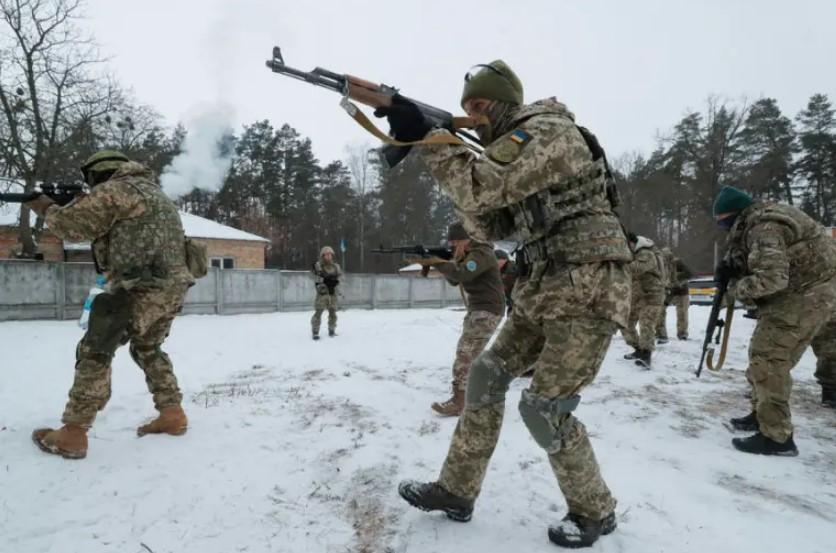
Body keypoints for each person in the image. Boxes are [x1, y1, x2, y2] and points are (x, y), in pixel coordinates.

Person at [376, 59, 632, 548]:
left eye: (477, 106)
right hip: (544, 284)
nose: (472, 114)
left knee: (544, 408)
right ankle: (456, 491)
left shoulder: (548, 131)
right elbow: (491, 225)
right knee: (485, 376)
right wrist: (433, 144)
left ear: (503, 102)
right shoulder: (510, 153)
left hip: (590, 284)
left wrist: (433, 140)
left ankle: (595, 511)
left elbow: (478, 187)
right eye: (464, 108)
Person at [24, 150, 195, 460]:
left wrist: (46, 207)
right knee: (147, 348)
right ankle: (172, 413)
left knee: (95, 349)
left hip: (136, 289)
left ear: (98, 174)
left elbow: (71, 228)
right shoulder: (155, 194)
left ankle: (73, 433)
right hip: (171, 288)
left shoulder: (118, 189)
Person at [715, 186, 836, 456]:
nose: (724, 230)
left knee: (768, 358)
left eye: (723, 223)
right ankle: (762, 415)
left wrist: (736, 288)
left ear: (733, 217)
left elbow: (772, 278)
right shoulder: (764, 220)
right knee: (767, 358)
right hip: (808, 294)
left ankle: (776, 437)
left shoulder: (764, 228)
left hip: (805, 296)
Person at [414, 223, 504, 416]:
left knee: (465, 355)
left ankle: (459, 402)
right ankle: (479, 391)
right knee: (472, 355)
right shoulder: (471, 255)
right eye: (450, 242)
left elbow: (461, 273)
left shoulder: (482, 254)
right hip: (479, 310)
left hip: (487, 310)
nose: (452, 246)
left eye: (455, 242)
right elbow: (455, 279)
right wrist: (443, 261)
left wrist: (437, 261)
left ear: (466, 239)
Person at [621, 234, 666, 369]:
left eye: (627, 245)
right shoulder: (635, 254)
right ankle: (638, 349)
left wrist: (618, 266)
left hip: (653, 296)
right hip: (638, 296)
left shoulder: (646, 253)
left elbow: (637, 268)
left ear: (632, 243)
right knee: (626, 322)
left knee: (646, 323)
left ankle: (646, 355)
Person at [656, 251, 693, 341]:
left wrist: (676, 279)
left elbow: (689, 274)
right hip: (668, 291)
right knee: (659, 310)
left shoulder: (678, 262)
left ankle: (682, 333)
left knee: (682, 313)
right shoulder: (660, 265)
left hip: (681, 291)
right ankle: (660, 333)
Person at [311, 246, 341, 340]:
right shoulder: (318, 266)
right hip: (323, 293)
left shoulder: (336, 266)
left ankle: (331, 330)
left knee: (333, 313)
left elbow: (340, 277)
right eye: (326, 254)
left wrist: (335, 282)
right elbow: (316, 279)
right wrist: (324, 280)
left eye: (330, 254)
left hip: (332, 293)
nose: (328, 256)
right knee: (318, 312)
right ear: (323, 255)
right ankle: (315, 332)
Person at [495, 249, 518, 315]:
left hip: (519, 304)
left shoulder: (512, 268)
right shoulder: (500, 271)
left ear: (503, 260)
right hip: (513, 304)